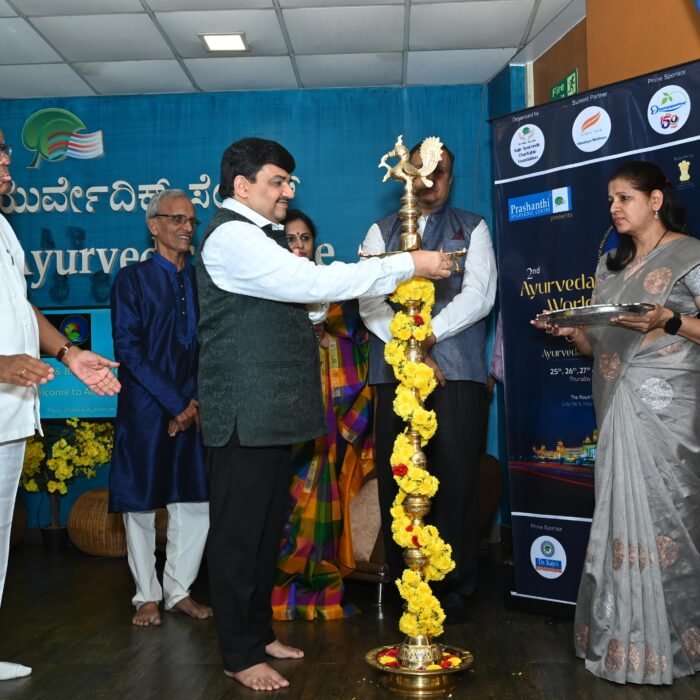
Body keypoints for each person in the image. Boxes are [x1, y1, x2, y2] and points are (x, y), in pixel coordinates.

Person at [196, 136, 452, 692]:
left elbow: (307, 304)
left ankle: (257, 633)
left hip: (270, 413)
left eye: (290, 182)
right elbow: (310, 284)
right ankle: (239, 655)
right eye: (277, 181)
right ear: (241, 186)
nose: (288, 191)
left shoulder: (260, 237)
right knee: (239, 538)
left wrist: (328, 289)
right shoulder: (232, 236)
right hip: (243, 412)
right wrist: (406, 264)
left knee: (266, 533)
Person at [532, 161, 700, 684]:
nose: (614, 208)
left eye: (624, 197)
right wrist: (571, 331)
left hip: (668, 405)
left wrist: (669, 319)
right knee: (618, 514)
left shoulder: (690, 256)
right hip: (616, 401)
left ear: (655, 200)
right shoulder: (610, 268)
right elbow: (597, 345)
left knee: (670, 513)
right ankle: (623, 639)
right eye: (610, 200)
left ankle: (678, 641)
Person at [359, 141, 497, 622]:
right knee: (399, 481)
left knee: (455, 479)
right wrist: (410, 349)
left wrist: (428, 336)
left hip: (455, 372)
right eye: (423, 171)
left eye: (442, 173)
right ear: (405, 173)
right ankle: (407, 589)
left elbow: (479, 296)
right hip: (394, 375)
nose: (431, 181)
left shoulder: (473, 227)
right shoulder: (380, 230)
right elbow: (369, 301)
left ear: (451, 178)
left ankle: (455, 591)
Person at [0, 129, 120, 680]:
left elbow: (21, 307)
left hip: (10, 416)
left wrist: (69, 353)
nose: (7, 163)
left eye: (6, 152)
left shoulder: (4, 228)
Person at [109, 189, 211, 627]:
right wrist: (174, 403)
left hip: (195, 404)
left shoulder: (203, 280)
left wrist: (192, 402)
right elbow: (129, 351)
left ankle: (179, 590)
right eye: (177, 219)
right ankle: (146, 595)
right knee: (141, 503)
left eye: (192, 221)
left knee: (195, 499)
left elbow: (211, 345)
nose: (187, 228)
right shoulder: (131, 280)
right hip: (146, 406)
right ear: (154, 225)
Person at [271, 210, 375, 621]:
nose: (299, 245)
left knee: (322, 502)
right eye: (290, 239)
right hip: (280, 417)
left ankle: (319, 585)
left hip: (328, 419)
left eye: (305, 238)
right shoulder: (268, 291)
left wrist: (328, 338)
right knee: (283, 503)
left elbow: (362, 348)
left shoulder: (333, 293)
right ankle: (279, 587)